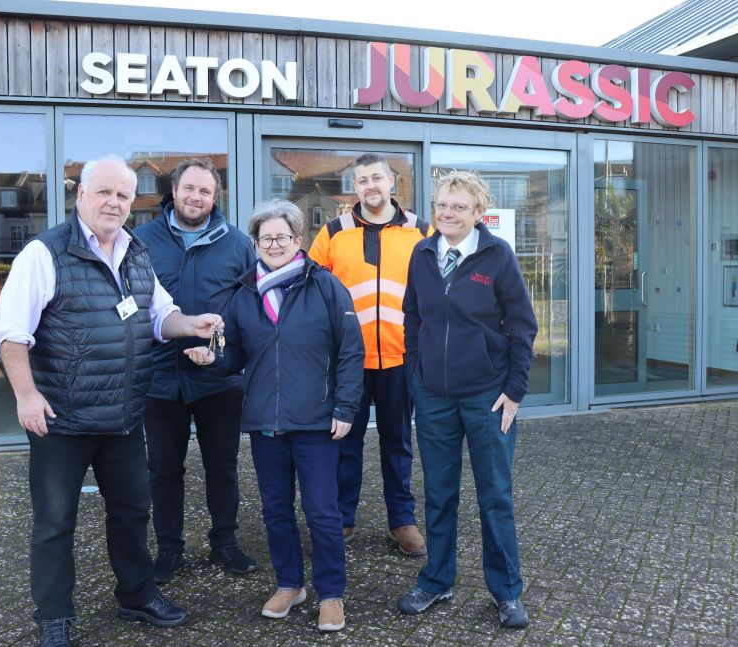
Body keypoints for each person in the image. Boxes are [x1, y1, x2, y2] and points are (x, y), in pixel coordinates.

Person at [0, 155, 224, 647]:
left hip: (122, 418)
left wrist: (193, 324)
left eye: (123, 195)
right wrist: (27, 396)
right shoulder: (45, 253)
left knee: (131, 512)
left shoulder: (136, 252)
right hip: (62, 420)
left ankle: (136, 596)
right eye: (105, 192)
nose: (115, 203)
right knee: (55, 523)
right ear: (81, 194)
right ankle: (54, 615)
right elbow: (10, 334)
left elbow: (161, 317)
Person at [187, 200, 364, 632]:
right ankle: (290, 583)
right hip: (266, 421)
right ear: (256, 244)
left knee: (323, 513)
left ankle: (331, 593)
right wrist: (211, 359)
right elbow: (237, 357)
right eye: (265, 238)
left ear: (298, 240)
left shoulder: (325, 286)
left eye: (282, 237)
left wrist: (345, 407)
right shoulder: (243, 293)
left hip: (318, 420)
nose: (274, 244)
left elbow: (351, 352)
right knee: (276, 511)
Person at [397, 170, 538, 629]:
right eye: (441, 204)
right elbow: (412, 317)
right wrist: (417, 374)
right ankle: (437, 580)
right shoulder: (421, 253)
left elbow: (522, 326)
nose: (447, 213)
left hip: (486, 397)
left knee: (494, 495)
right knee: (438, 495)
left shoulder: (497, 256)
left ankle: (507, 592)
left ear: (478, 212)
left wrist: (513, 391)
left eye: (458, 206)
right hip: (434, 397)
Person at [134, 159, 258, 582]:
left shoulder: (238, 244)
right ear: (174, 190)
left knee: (221, 465)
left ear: (215, 196)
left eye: (205, 191)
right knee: (163, 469)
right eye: (189, 189)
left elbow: (247, 310)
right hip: (160, 376)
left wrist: (225, 356)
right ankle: (169, 549)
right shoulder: (141, 240)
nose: (196, 197)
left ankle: (224, 543)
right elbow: (131, 304)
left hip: (218, 379)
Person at [308, 152, 430, 556]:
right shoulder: (333, 232)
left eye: (376, 178)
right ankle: (342, 518)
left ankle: (402, 520)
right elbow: (310, 289)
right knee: (344, 442)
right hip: (348, 363)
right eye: (362, 181)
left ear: (392, 181)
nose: (370, 186)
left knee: (398, 443)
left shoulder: (421, 231)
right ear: (354, 187)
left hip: (400, 359)